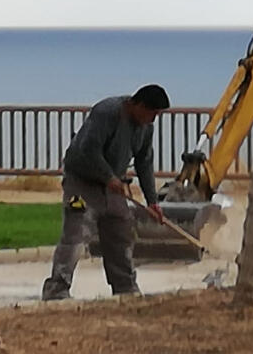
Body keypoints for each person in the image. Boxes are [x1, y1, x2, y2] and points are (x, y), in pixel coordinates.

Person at [41, 84, 170, 301]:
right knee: (76, 234)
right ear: (138, 104)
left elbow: (144, 161)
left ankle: (125, 287)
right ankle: (56, 289)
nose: (153, 120)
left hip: (112, 187)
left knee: (121, 233)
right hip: (81, 182)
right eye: (152, 113)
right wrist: (108, 176)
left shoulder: (146, 127)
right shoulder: (107, 112)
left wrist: (152, 201)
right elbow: (88, 148)